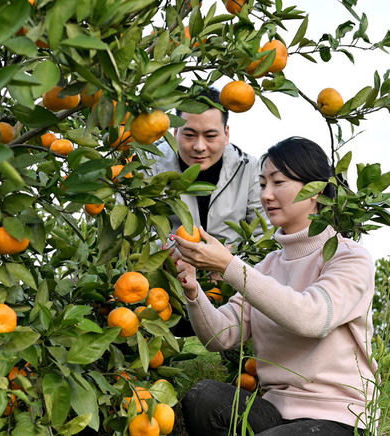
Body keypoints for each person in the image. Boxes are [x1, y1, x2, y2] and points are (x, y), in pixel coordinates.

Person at [173, 137, 376, 435]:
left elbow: (313, 317)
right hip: (274, 411)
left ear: (315, 191)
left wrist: (229, 265)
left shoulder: (349, 257)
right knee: (204, 398)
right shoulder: (267, 266)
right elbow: (221, 336)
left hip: (338, 417)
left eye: (278, 182)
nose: (266, 195)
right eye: (262, 183)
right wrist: (192, 290)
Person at [149, 87, 266, 244]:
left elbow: (264, 236)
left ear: (226, 134)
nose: (199, 147)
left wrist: (229, 264)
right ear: (176, 132)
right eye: (189, 135)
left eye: (210, 136)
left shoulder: (249, 170)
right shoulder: (150, 165)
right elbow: (135, 235)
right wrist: (174, 255)